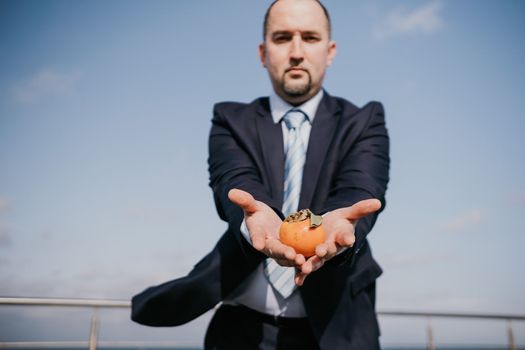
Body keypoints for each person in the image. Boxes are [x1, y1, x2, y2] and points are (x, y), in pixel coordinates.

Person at [131, 0, 390, 349]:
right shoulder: (230, 120)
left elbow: (360, 186)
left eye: (310, 38)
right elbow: (235, 181)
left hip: (338, 329)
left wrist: (341, 226)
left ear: (330, 51)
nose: (296, 52)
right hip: (241, 332)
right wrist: (256, 220)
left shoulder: (365, 120)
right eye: (282, 38)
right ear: (263, 52)